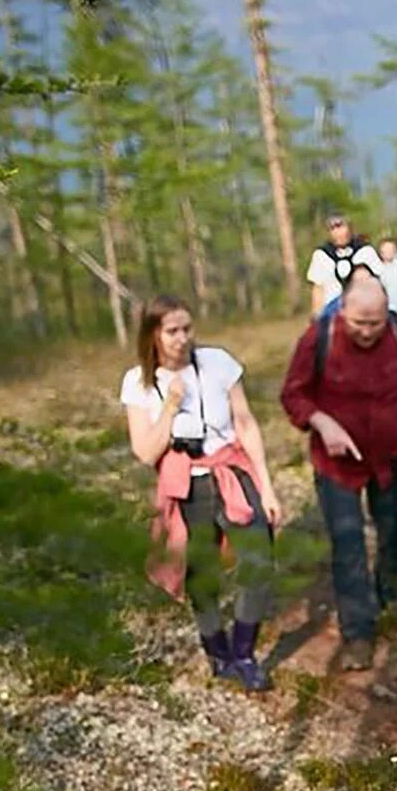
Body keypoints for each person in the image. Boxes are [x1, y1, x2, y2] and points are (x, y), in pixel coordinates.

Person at [121, 295, 285, 691]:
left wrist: (266, 485)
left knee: (258, 561)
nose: (182, 339)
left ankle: (245, 651)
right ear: (153, 335)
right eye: (171, 331)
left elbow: (246, 423)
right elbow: (145, 451)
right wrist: (172, 403)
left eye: (186, 329)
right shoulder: (137, 382)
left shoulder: (217, 363)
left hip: (230, 469)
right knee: (199, 573)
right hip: (184, 481)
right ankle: (218, 654)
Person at [281, 269, 397, 672]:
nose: (367, 331)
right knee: (348, 546)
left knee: (396, 530)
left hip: (392, 456)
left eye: (375, 323)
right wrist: (321, 421)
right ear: (342, 310)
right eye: (359, 323)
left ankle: (393, 592)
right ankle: (358, 632)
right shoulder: (319, 337)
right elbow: (293, 394)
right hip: (336, 463)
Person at [306, 213, 376, 317]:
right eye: (332, 228)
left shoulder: (365, 251)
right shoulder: (321, 255)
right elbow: (318, 288)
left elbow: (377, 285)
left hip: (362, 312)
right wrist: (316, 315)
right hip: (332, 313)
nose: (337, 232)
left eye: (340, 227)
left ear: (349, 228)